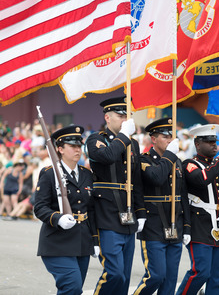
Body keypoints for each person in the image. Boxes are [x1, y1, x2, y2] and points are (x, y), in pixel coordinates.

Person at [86, 96, 146, 295]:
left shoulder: (133, 144)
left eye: (127, 116)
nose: (125, 120)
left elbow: (136, 180)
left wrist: (141, 211)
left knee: (125, 277)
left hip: (128, 214)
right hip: (107, 214)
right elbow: (108, 156)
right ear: (107, 117)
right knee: (114, 273)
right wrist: (124, 136)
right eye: (120, 116)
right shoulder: (95, 139)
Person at [34, 125, 98, 294]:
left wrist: (95, 240)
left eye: (79, 145)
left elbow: (91, 210)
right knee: (72, 286)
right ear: (60, 149)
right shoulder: (49, 174)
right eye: (73, 146)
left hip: (82, 241)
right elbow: (40, 207)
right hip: (57, 242)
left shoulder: (87, 175)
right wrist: (57, 218)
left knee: (73, 290)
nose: (78, 149)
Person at [176, 124, 219, 295]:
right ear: (197, 144)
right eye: (209, 141)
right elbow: (201, 179)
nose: (214, 145)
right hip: (199, 226)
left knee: (218, 276)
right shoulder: (190, 164)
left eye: (215, 141)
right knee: (201, 272)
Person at [133, 118, 191, 295]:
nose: (170, 140)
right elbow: (156, 177)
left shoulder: (177, 162)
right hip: (154, 227)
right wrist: (170, 156)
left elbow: (183, 196)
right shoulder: (144, 160)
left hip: (175, 226)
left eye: (171, 136)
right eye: (165, 136)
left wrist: (187, 227)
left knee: (170, 279)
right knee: (156, 276)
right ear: (153, 139)